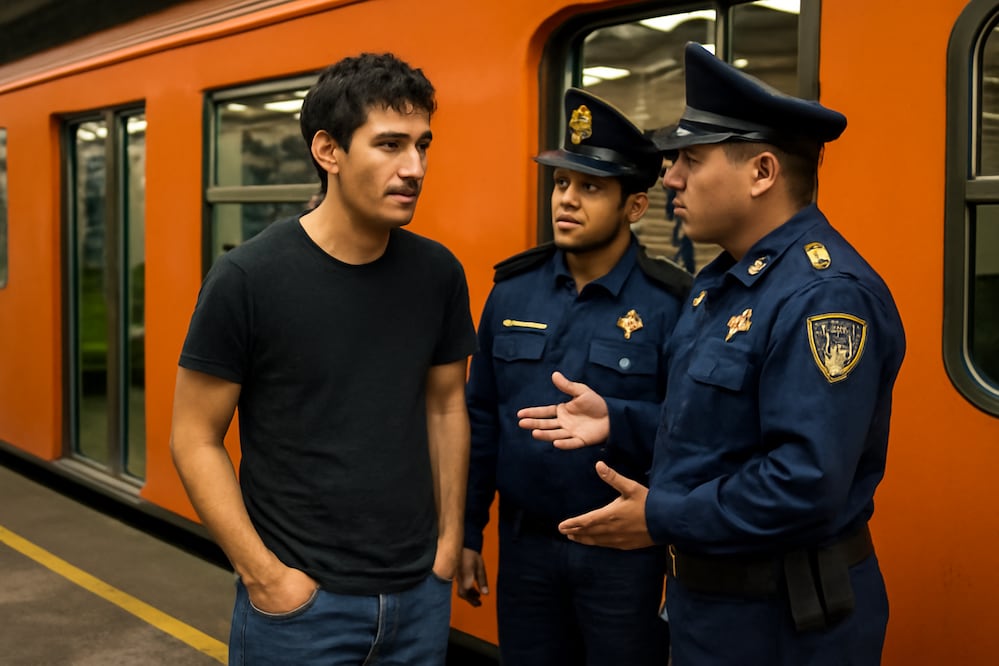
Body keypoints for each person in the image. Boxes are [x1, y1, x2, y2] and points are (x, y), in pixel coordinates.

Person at [518, 42, 906, 665]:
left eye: (691, 161)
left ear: (761, 172)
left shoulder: (823, 297)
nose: (669, 177)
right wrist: (621, 419)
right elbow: (718, 430)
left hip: (784, 624)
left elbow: (804, 483)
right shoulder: (722, 284)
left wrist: (660, 517)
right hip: (715, 612)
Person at [169, 53, 477, 664]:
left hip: (418, 596)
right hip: (300, 609)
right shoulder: (247, 278)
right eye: (389, 144)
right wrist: (264, 577)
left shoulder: (437, 274)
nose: (414, 167)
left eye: (422, 145)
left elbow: (445, 406)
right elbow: (193, 436)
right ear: (328, 151)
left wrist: (448, 544)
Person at [457, 88, 690, 665]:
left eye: (591, 188)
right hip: (526, 549)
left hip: (623, 556)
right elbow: (480, 418)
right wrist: (465, 534)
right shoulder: (512, 290)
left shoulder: (672, 305)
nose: (567, 199)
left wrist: (620, 427)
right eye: (562, 183)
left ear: (634, 207)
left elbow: (690, 431)